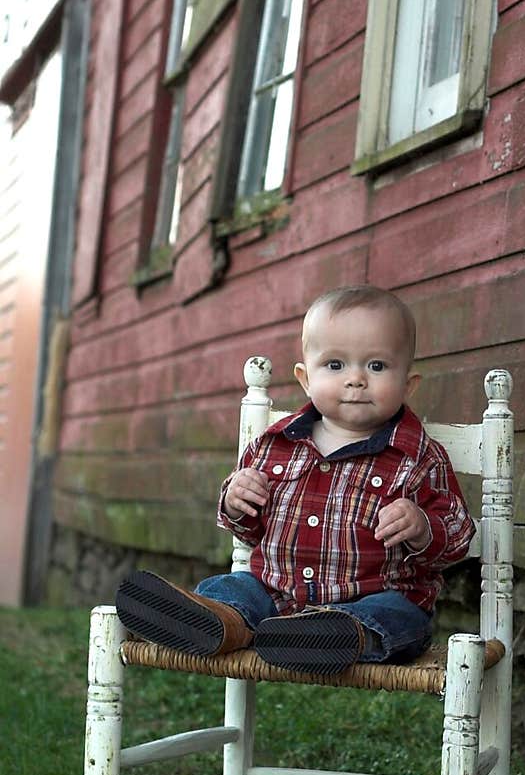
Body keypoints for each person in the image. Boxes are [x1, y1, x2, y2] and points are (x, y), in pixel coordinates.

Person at [115, 285, 475, 672]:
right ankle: (218, 622)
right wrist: (237, 499)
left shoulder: (419, 456)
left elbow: (457, 537)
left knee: (396, 616)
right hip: (274, 594)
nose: (356, 379)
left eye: (376, 366)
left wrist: (422, 527)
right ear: (305, 378)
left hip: (376, 597)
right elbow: (249, 532)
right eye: (335, 365)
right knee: (237, 589)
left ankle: (330, 637)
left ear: (408, 384)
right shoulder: (274, 446)